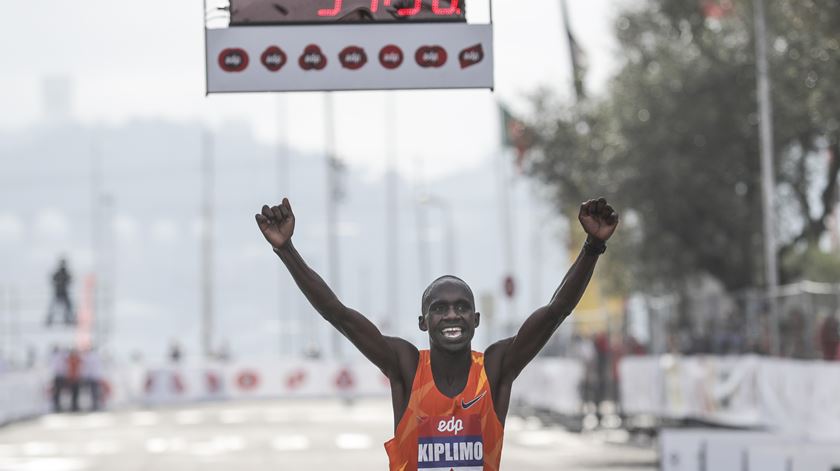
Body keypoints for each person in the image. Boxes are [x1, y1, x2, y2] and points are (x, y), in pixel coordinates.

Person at [255, 197, 618, 470]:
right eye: (439, 309)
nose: (451, 315)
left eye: (461, 306)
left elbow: (556, 312)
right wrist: (286, 249)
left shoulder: (494, 368)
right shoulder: (407, 366)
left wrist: (593, 247)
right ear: (423, 322)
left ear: (476, 319)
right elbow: (339, 314)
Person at [46, 258, 75, 326]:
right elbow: (53, 279)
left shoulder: (64, 273)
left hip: (62, 292)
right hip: (59, 292)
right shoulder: (60, 273)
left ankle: (67, 319)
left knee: (68, 307)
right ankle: (51, 319)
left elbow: (69, 280)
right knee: (55, 307)